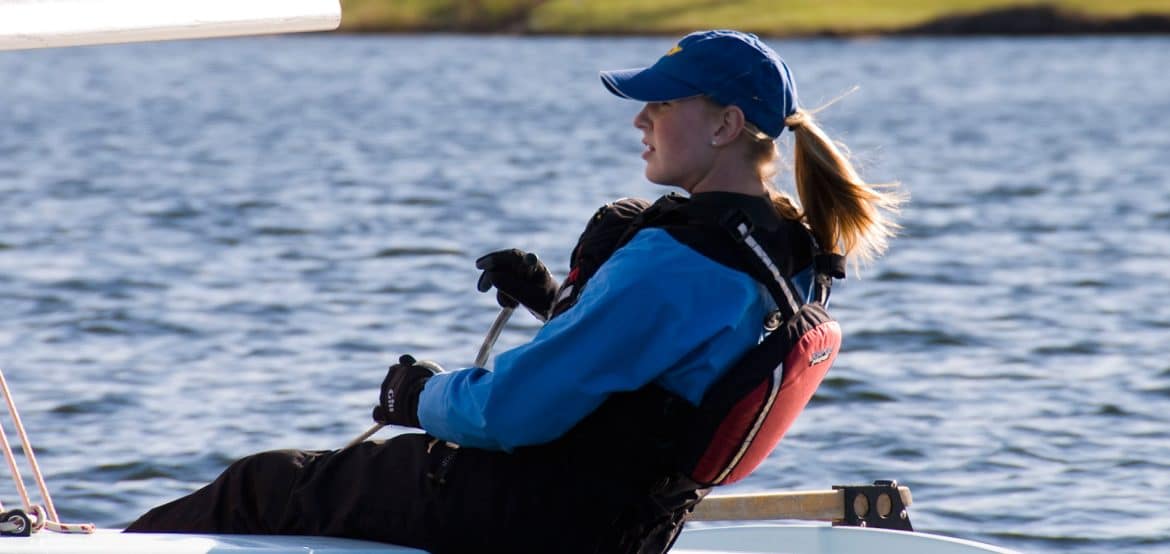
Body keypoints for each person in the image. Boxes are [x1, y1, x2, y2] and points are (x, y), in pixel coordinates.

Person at [125, 29, 902, 553]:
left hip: (532, 516)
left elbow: (510, 411)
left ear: (726, 124)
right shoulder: (790, 248)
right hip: (624, 524)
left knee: (261, 487)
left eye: (662, 104)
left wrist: (418, 398)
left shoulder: (672, 263)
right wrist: (550, 302)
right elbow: (660, 373)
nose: (641, 119)